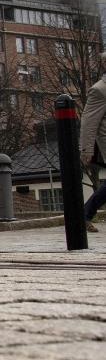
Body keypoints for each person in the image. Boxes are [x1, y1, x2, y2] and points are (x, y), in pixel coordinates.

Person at [81, 51, 106, 233]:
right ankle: (84, 215)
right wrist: (86, 149)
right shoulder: (99, 89)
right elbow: (89, 122)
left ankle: (84, 215)